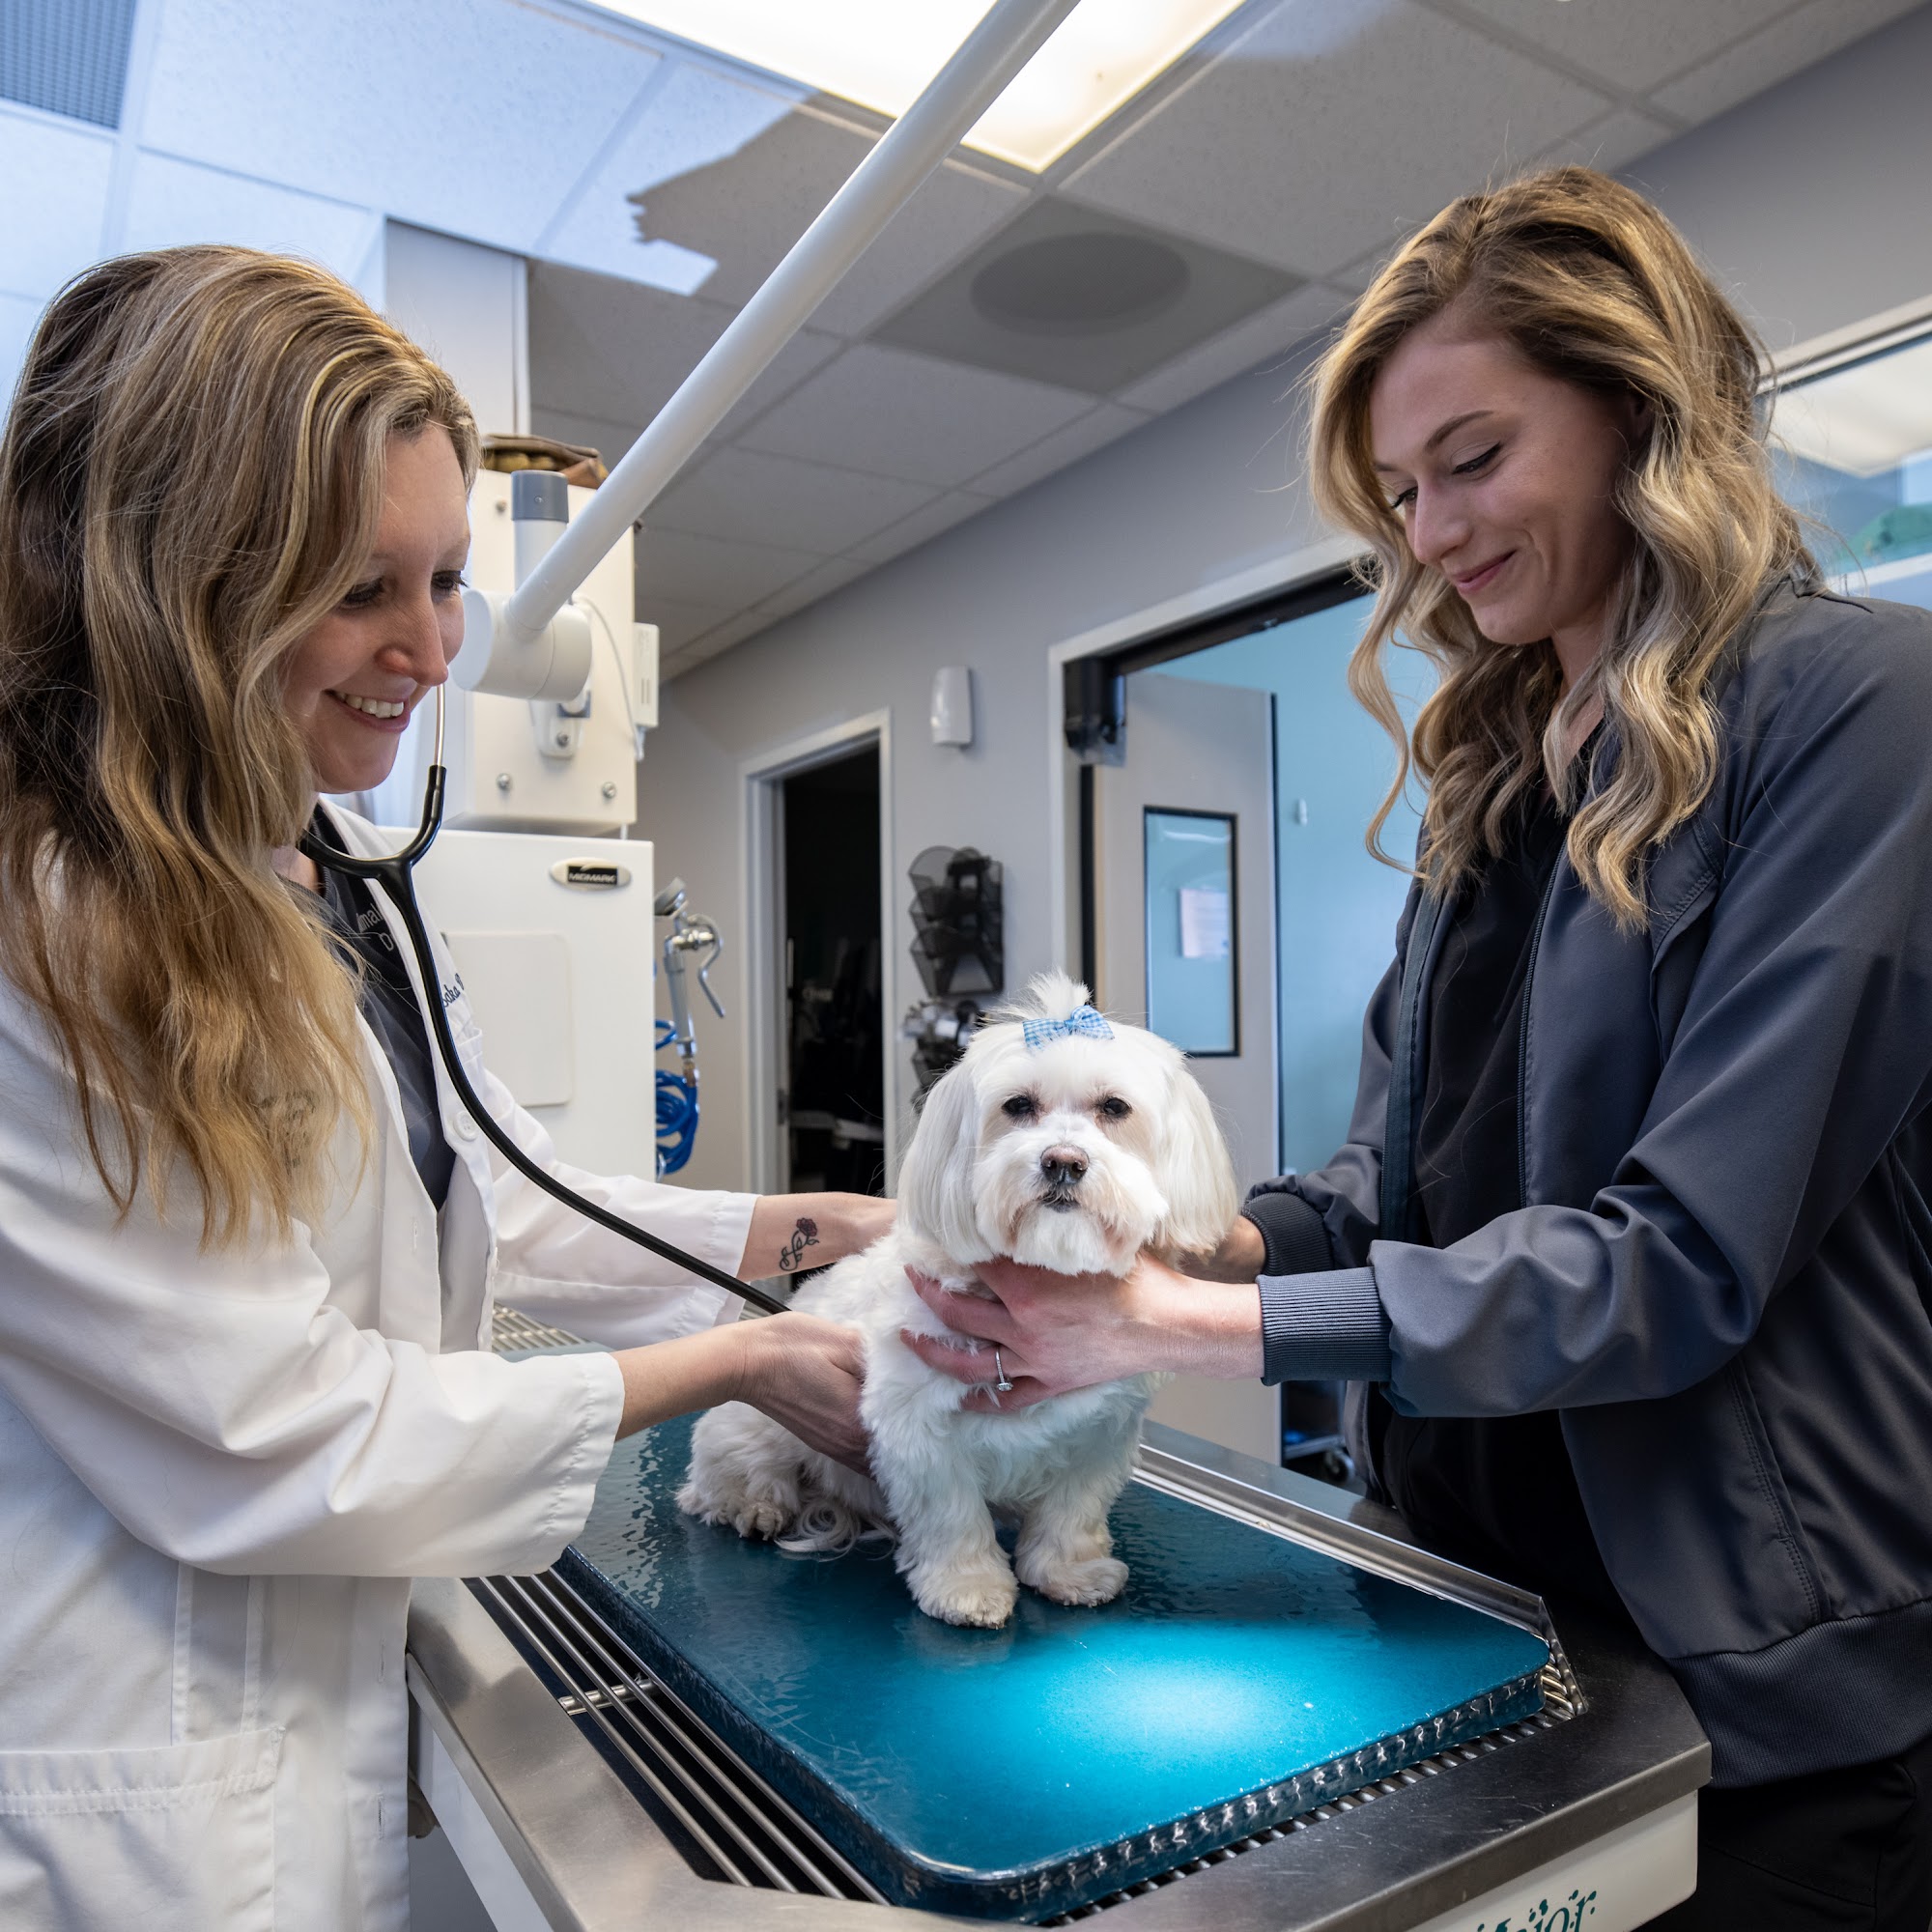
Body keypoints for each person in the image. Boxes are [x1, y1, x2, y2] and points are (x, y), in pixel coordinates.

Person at [904, 167, 1932, 1930]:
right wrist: (1183, 1231)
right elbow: (1399, 1187)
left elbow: (1681, 1259)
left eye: (1475, 457)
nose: (1432, 533)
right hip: (1472, 1601)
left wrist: (1193, 1321)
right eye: (1399, 493)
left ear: (1634, 411)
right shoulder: (1497, 774)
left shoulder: (1864, 712)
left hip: (1756, 1675)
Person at [0, 246, 891, 1930]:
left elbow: (493, 1179)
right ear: (178, 583)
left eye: (446, 579)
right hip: (134, 1804)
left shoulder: (321, 873)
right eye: (360, 588)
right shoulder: (50, 932)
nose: (430, 649)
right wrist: (736, 1358)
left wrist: (786, 1226)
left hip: (292, 1738)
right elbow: (281, 1430)